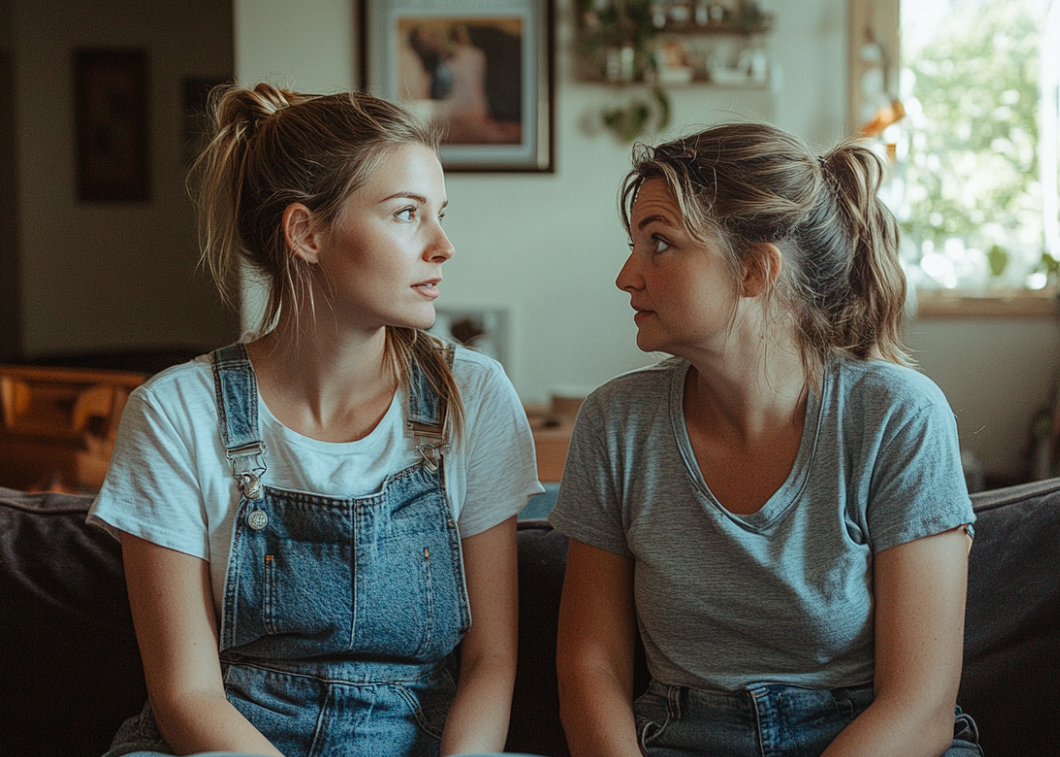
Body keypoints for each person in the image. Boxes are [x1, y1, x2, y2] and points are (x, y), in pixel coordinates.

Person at [87, 82, 543, 757]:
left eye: (440, 213)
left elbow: (490, 660)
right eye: (406, 214)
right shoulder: (174, 412)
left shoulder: (472, 395)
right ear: (305, 232)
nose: (443, 244)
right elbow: (186, 694)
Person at [549, 122, 982, 757]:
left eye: (659, 243)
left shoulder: (898, 416)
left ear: (755, 269)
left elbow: (919, 705)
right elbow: (591, 669)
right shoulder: (616, 423)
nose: (626, 276)